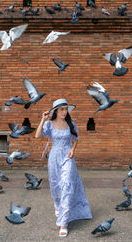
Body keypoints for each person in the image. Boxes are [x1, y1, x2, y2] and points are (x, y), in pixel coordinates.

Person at [35, 98, 92, 237]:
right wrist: (43, 119)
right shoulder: (49, 124)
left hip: (67, 158)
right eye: (62, 109)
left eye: (66, 109)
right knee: (55, 185)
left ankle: (64, 222)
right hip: (54, 158)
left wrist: (73, 150)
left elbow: (75, 138)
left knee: (66, 185)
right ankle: (57, 204)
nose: (65, 112)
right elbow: (37, 136)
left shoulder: (71, 124)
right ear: (56, 111)